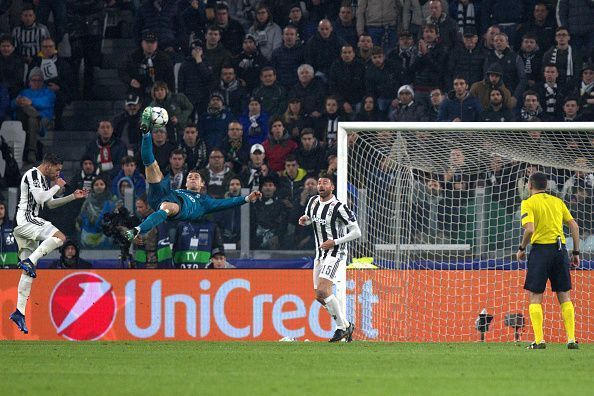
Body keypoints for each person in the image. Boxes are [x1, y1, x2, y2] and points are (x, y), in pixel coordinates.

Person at [119, 107, 261, 242]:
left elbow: (227, 203)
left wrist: (247, 198)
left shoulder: (205, 201)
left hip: (176, 207)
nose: (192, 178)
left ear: (202, 184)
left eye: (196, 177)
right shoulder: (180, 190)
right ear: (186, 183)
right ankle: (146, 132)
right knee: (151, 165)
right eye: (190, 177)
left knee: (167, 207)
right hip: (165, 194)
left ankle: (137, 229)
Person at [10, 153, 88, 334]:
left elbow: (50, 204)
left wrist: (72, 197)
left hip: (23, 226)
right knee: (60, 237)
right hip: (27, 221)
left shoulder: (43, 180)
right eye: (58, 169)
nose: (59, 173)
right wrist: (56, 186)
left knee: (27, 274)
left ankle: (19, 312)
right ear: (48, 165)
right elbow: (41, 199)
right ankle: (30, 260)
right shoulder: (32, 175)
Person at [516, 172, 580, 350]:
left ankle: (539, 340)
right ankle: (571, 339)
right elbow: (574, 225)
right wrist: (576, 252)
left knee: (536, 296)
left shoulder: (528, 203)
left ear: (530, 186)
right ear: (546, 185)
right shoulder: (557, 202)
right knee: (564, 295)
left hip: (541, 251)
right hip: (560, 250)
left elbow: (529, 229)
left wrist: (521, 248)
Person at [298, 176, 360, 342]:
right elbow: (311, 218)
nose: (321, 185)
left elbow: (356, 232)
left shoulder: (339, 207)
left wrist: (335, 241)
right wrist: (306, 220)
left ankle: (341, 328)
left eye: (325, 183)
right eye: (319, 182)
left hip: (335, 252)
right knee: (319, 296)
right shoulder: (312, 202)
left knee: (323, 291)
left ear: (332, 187)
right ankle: (346, 325)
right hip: (320, 254)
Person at [0, 200, 18, 268]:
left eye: (1, 208)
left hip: (12, 263)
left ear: (5, 210)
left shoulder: (12, 226)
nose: (0, 211)